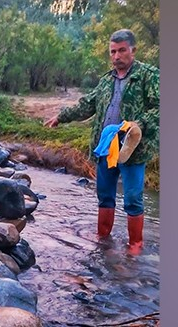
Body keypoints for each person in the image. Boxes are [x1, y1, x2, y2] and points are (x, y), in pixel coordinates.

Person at [44, 29, 159, 255]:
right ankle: (103, 241)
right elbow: (88, 104)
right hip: (106, 147)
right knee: (104, 196)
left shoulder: (149, 75)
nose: (117, 56)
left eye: (122, 50)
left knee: (133, 198)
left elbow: (160, 106)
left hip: (132, 149)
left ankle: (135, 246)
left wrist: (139, 124)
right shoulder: (107, 80)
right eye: (113, 52)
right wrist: (61, 117)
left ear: (133, 50)